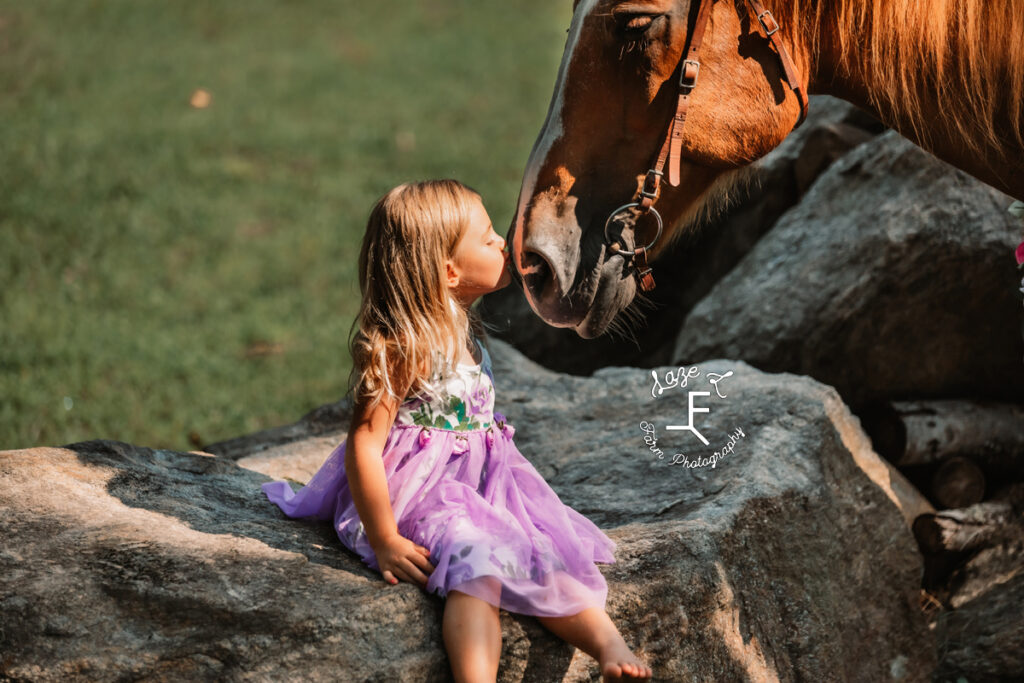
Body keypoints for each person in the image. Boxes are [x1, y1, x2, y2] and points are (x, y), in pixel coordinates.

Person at [261, 179, 652, 682]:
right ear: (449, 272)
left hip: (488, 485)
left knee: (545, 549)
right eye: (488, 237)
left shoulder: (463, 326)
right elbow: (364, 439)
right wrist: (384, 538)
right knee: (478, 566)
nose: (501, 242)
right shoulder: (406, 345)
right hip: (425, 494)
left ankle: (608, 645)